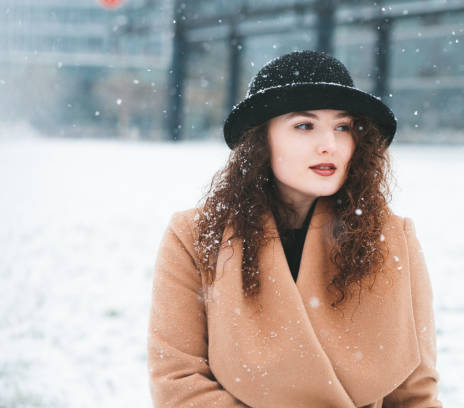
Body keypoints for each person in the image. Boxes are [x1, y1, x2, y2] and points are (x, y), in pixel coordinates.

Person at [147, 50, 443, 408]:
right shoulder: (195, 235)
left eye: (343, 127)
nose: (329, 145)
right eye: (304, 125)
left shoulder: (393, 238)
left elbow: (415, 394)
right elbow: (177, 382)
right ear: (261, 139)